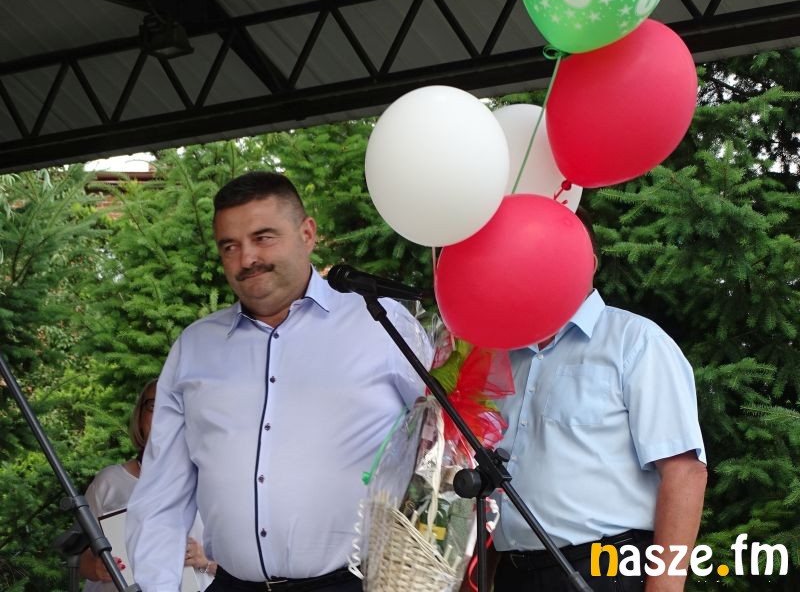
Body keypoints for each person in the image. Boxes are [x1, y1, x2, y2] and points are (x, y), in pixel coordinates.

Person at [126, 171, 431, 592]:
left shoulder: (380, 323)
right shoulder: (194, 348)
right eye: (230, 246)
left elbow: (446, 452)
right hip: (233, 586)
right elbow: (161, 495)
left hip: (355, 584)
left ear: (307, 233)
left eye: (263, 237)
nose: (246, 259)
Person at [491, 207, 707, 592]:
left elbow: (684, 472)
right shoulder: (502, 355)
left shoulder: (637, 342)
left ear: (589, 262)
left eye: (558, 251)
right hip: (513, 572)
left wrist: (665, 585)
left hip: (605, 570)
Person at [80, 379, 216, 591]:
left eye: (175, 407)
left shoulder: (213, 482)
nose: (163, 414)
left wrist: (204, 560)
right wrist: (96, 567)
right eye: (154, 405)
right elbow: (80, 558)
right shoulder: (108, 483)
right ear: (140, 417)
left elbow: (249, 563)